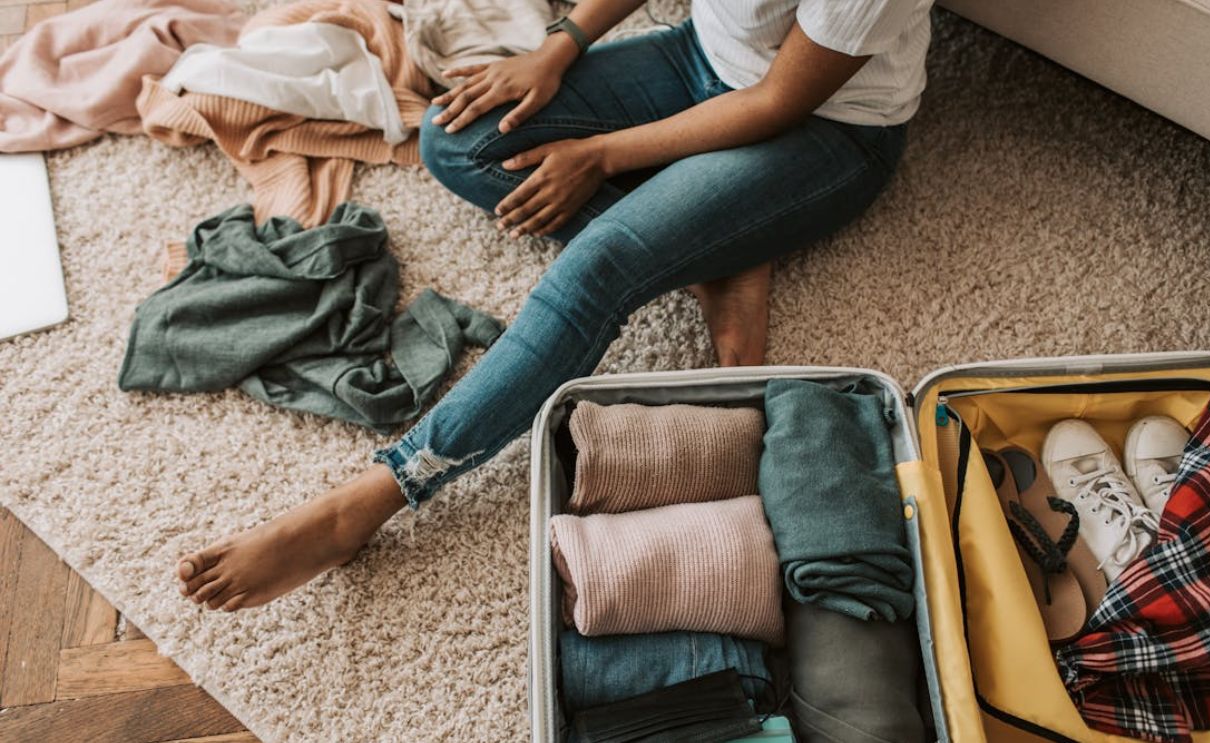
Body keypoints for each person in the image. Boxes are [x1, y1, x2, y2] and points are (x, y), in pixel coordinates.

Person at [175, 0, 934, 610]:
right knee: (455, 137)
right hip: (698, 59)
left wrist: (601, 154)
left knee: (599, 262)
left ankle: (371, 498)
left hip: (823, 131)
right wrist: (559, 44)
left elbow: (777, 100)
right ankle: (723, 241)